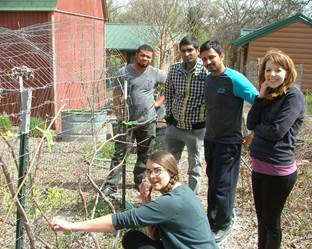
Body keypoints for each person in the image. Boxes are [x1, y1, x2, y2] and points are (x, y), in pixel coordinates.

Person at [51, 151, 218, 249]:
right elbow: (156, 236)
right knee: (133, 238)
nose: (152, 176)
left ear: (171, 171)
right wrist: (147, 204)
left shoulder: (172, 202)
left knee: (131, 237)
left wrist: (72, 226)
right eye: (148, 171)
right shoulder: (183, 191)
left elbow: (121, 220)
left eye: (157, 170)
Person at [199, 40, 259, 246]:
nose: (208, 62)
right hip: (211, 139)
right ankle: (212, 218)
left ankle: (223, 222)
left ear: (221, 56)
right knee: (213, 181)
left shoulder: (234, 79)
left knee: (223, 184)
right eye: (204, 59)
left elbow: (258, 100)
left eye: (211, 57)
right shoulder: (209, 79)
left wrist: (253, 130)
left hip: (229, 142)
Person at [246, 49, 305, 249]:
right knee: (261, 220)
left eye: (277, 70)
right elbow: (250, 122)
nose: (271, 74)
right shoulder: (268, 95)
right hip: (259, 167)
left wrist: (258, 129)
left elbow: (276, 132)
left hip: (278, 171)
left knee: (272, 223)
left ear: (287, 72)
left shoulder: (293, 96)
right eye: (268, 70)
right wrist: (260, 98)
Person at [102, 44, 167, 194]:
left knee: (145, 154)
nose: (145, 58)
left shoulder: (155, 73)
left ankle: (139, 181)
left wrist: (158, 102)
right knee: (120, 153)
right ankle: (111, 185)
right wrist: (118, 113)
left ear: (152, 58)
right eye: (142, 55)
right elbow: (117, 93)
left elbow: (169, 86)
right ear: (137, 55)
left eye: (148, 57)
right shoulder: (124, 72)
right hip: (127, 121)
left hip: (148, 121)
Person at [165, 36, 208, 194]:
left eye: (190, 50)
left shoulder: (206, 72)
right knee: (169, 163)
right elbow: (169, 92)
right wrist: (168, 115)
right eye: (183, 50)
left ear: (197, 51)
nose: (187, 53)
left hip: (196, 130)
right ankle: (170, 195)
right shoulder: (175, 69)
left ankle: (190, 199)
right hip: (175, 126)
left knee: (195, 167)